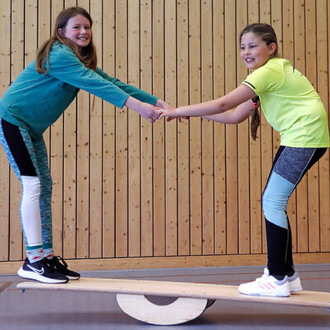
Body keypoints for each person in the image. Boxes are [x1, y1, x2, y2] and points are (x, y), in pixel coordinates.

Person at [0, 6, 169, 284]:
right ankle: (33, 261)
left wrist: (158, 102)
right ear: (61, 32)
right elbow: (96, 85)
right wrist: (140, 108)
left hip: (30, 127)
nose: (84, 32)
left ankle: (46, 256)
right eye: (76, 27)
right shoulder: (58, 54)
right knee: (32, 185)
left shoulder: (78, 61)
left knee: (44, 187)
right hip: (12, 120)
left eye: (87, 27)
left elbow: (110, 82)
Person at [160, 23, 329, 297]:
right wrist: (189, 114)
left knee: (272, 202)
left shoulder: (269, 72)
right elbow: (233, 115)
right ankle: (287, 275)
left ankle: (276, 278)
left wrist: (179, 109)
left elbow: (222, 104)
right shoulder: (273, 73)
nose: (246, 52)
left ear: (271, 48)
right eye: (242, 47)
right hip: (302, 138)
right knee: (273, 202)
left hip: (304, 138)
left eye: (253, 46)